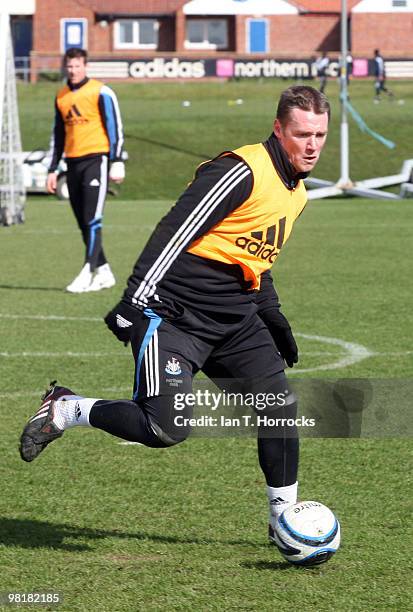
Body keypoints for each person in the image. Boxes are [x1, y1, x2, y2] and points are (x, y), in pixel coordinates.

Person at [20, 86, 330, 544]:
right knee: (164, 428)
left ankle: (282, 520)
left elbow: (254, 258)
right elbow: (175, 229)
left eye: (320, 135)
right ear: (278, 129)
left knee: (279, 410)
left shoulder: (297, 192)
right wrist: (132, 300)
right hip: (173, 314)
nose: (311, 145)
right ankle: (68, 409)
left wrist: (272, 314)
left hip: (235, 321)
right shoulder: (241, 170)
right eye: (302, 134)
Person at [47, 47, 125, 293]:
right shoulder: (61, 96)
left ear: (85, 66)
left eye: (77, 65)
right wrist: (52, 169)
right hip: (72, 163)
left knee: (93, 219)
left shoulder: (101, 91)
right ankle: (104, 271)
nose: (73, 70)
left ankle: (86, 272)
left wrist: (117, 160)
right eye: (69, 66)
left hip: (96, 160)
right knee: (83, 221)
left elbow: (115, 127)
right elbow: (59, 135)